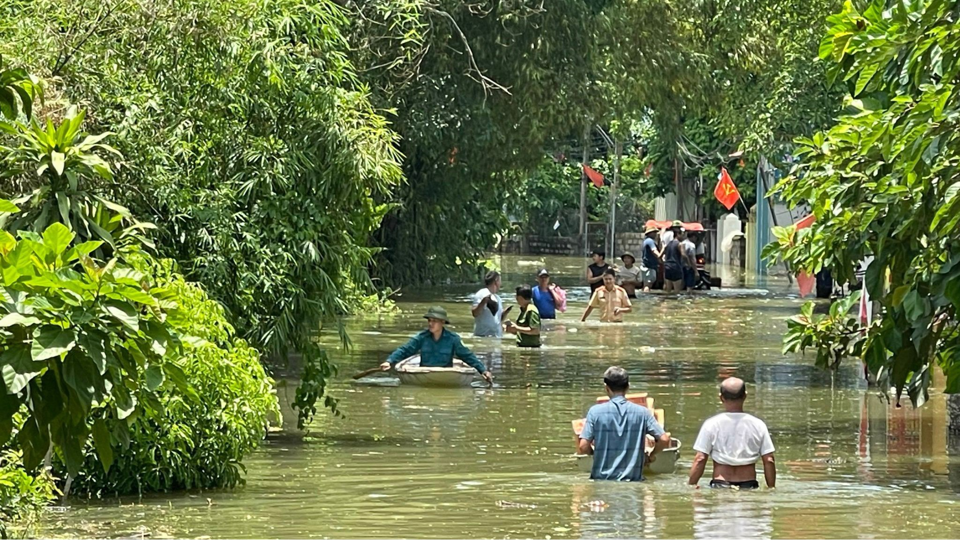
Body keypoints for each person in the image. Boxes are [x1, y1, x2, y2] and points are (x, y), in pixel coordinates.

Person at [578, 366, 671, 481]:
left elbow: (583, 446)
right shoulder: (643, 413)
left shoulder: (595, 412)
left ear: (606, 388)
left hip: (602, 482)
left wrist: (595, 454)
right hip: (633, 482)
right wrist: (651, 454)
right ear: (628, 387)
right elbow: (664, 439)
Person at [687, 377, 776, 490]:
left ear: (721, 398)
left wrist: (691, 485)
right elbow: (769, 460)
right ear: (745, 396)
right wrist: (771, 488)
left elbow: (700, 458)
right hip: (749, 485)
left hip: (720, 485)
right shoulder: (758, 425)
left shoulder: (711, 424)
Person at [382, 306, 493, 384]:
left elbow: (467, 356)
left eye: (434, 321)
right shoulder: (422, 337)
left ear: (442, 322)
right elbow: (405, 350)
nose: (430, 323)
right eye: (429, 320)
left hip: (446, 375)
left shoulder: (453, 339)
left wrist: (482, 370)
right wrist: (389, 361)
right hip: (424, 373)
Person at [471, 270, 504, 337]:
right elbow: (475, 313)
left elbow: (498, 319)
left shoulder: (498, 298)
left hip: (496, 337)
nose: (500, 283)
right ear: (496, 281)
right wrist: (483, 302)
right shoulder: (481, 294)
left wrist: (506, 312)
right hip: (482, 336)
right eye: (500, 281)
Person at [661, 227, 685, 293]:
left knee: (668, 290)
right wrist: (688, 261)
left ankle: (666, 302)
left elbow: (660, 255)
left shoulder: (668, 244)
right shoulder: (680, 244)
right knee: (677, 291)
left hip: (667, 267)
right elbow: (683, 255)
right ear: (677, 234)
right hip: (676, 267)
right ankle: (675, 303)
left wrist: (662, 262)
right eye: (682, 234)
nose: (683, 236)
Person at [641, 226, 660, 292]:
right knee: (648, 284)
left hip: (646, 266)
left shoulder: (646, 241)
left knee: (646, 284)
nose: (655, 234)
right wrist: (660, 257)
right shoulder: (650, 241)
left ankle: (644, 295)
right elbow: (654, 251)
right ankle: (646, 297)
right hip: (649, 267)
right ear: (650, 233)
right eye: (654, 232)